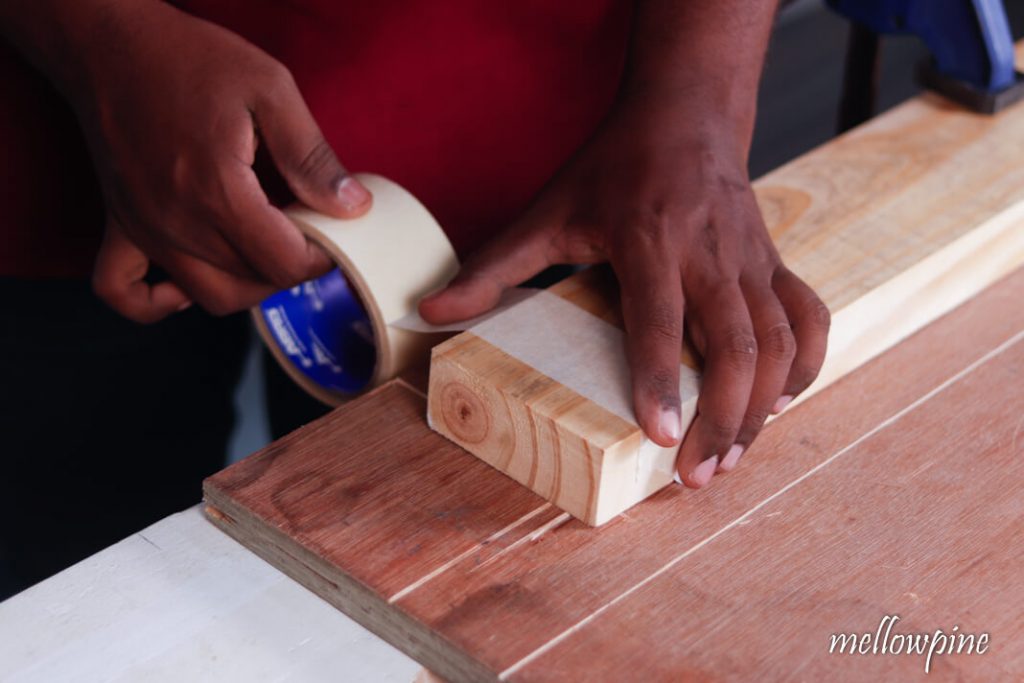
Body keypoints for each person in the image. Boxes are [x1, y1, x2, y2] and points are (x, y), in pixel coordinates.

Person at [0, 0, 829, 596]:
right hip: (86, 131)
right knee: (77, 573)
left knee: (442, 566)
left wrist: (700, 93)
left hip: (552, 168)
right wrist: (95, 35)